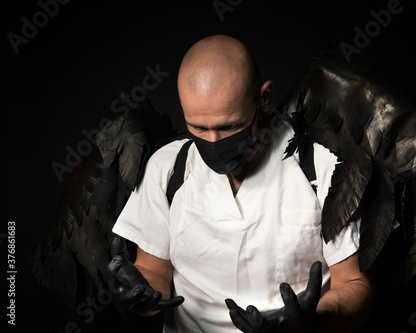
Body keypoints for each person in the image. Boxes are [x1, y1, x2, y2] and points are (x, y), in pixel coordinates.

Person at [108, 34, 374, 332]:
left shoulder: (322, 167)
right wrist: (140, 294)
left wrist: (315, 320)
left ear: (264, 98)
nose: (213, 142)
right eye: (197, 127)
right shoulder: (167, 168)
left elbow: (353, 282)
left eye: (230, 126)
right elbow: (153, 270)